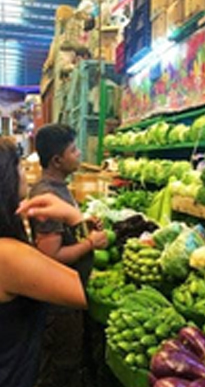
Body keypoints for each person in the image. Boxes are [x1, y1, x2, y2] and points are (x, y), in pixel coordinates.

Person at [0, 138, 87, 387]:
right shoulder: (9, 256)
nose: (26, 173)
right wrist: (74, 218)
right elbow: (83, 292)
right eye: (19, 166)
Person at [30, 124, 107, 387]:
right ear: (57, 160)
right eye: (73, 150)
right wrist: (90, 244)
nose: (79, 154)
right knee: (60, 369)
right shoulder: (47, 196)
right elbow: (50, 255)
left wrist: (83, 225)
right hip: (59, 305)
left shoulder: (58, 187)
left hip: (68, 296)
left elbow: (62, 233)